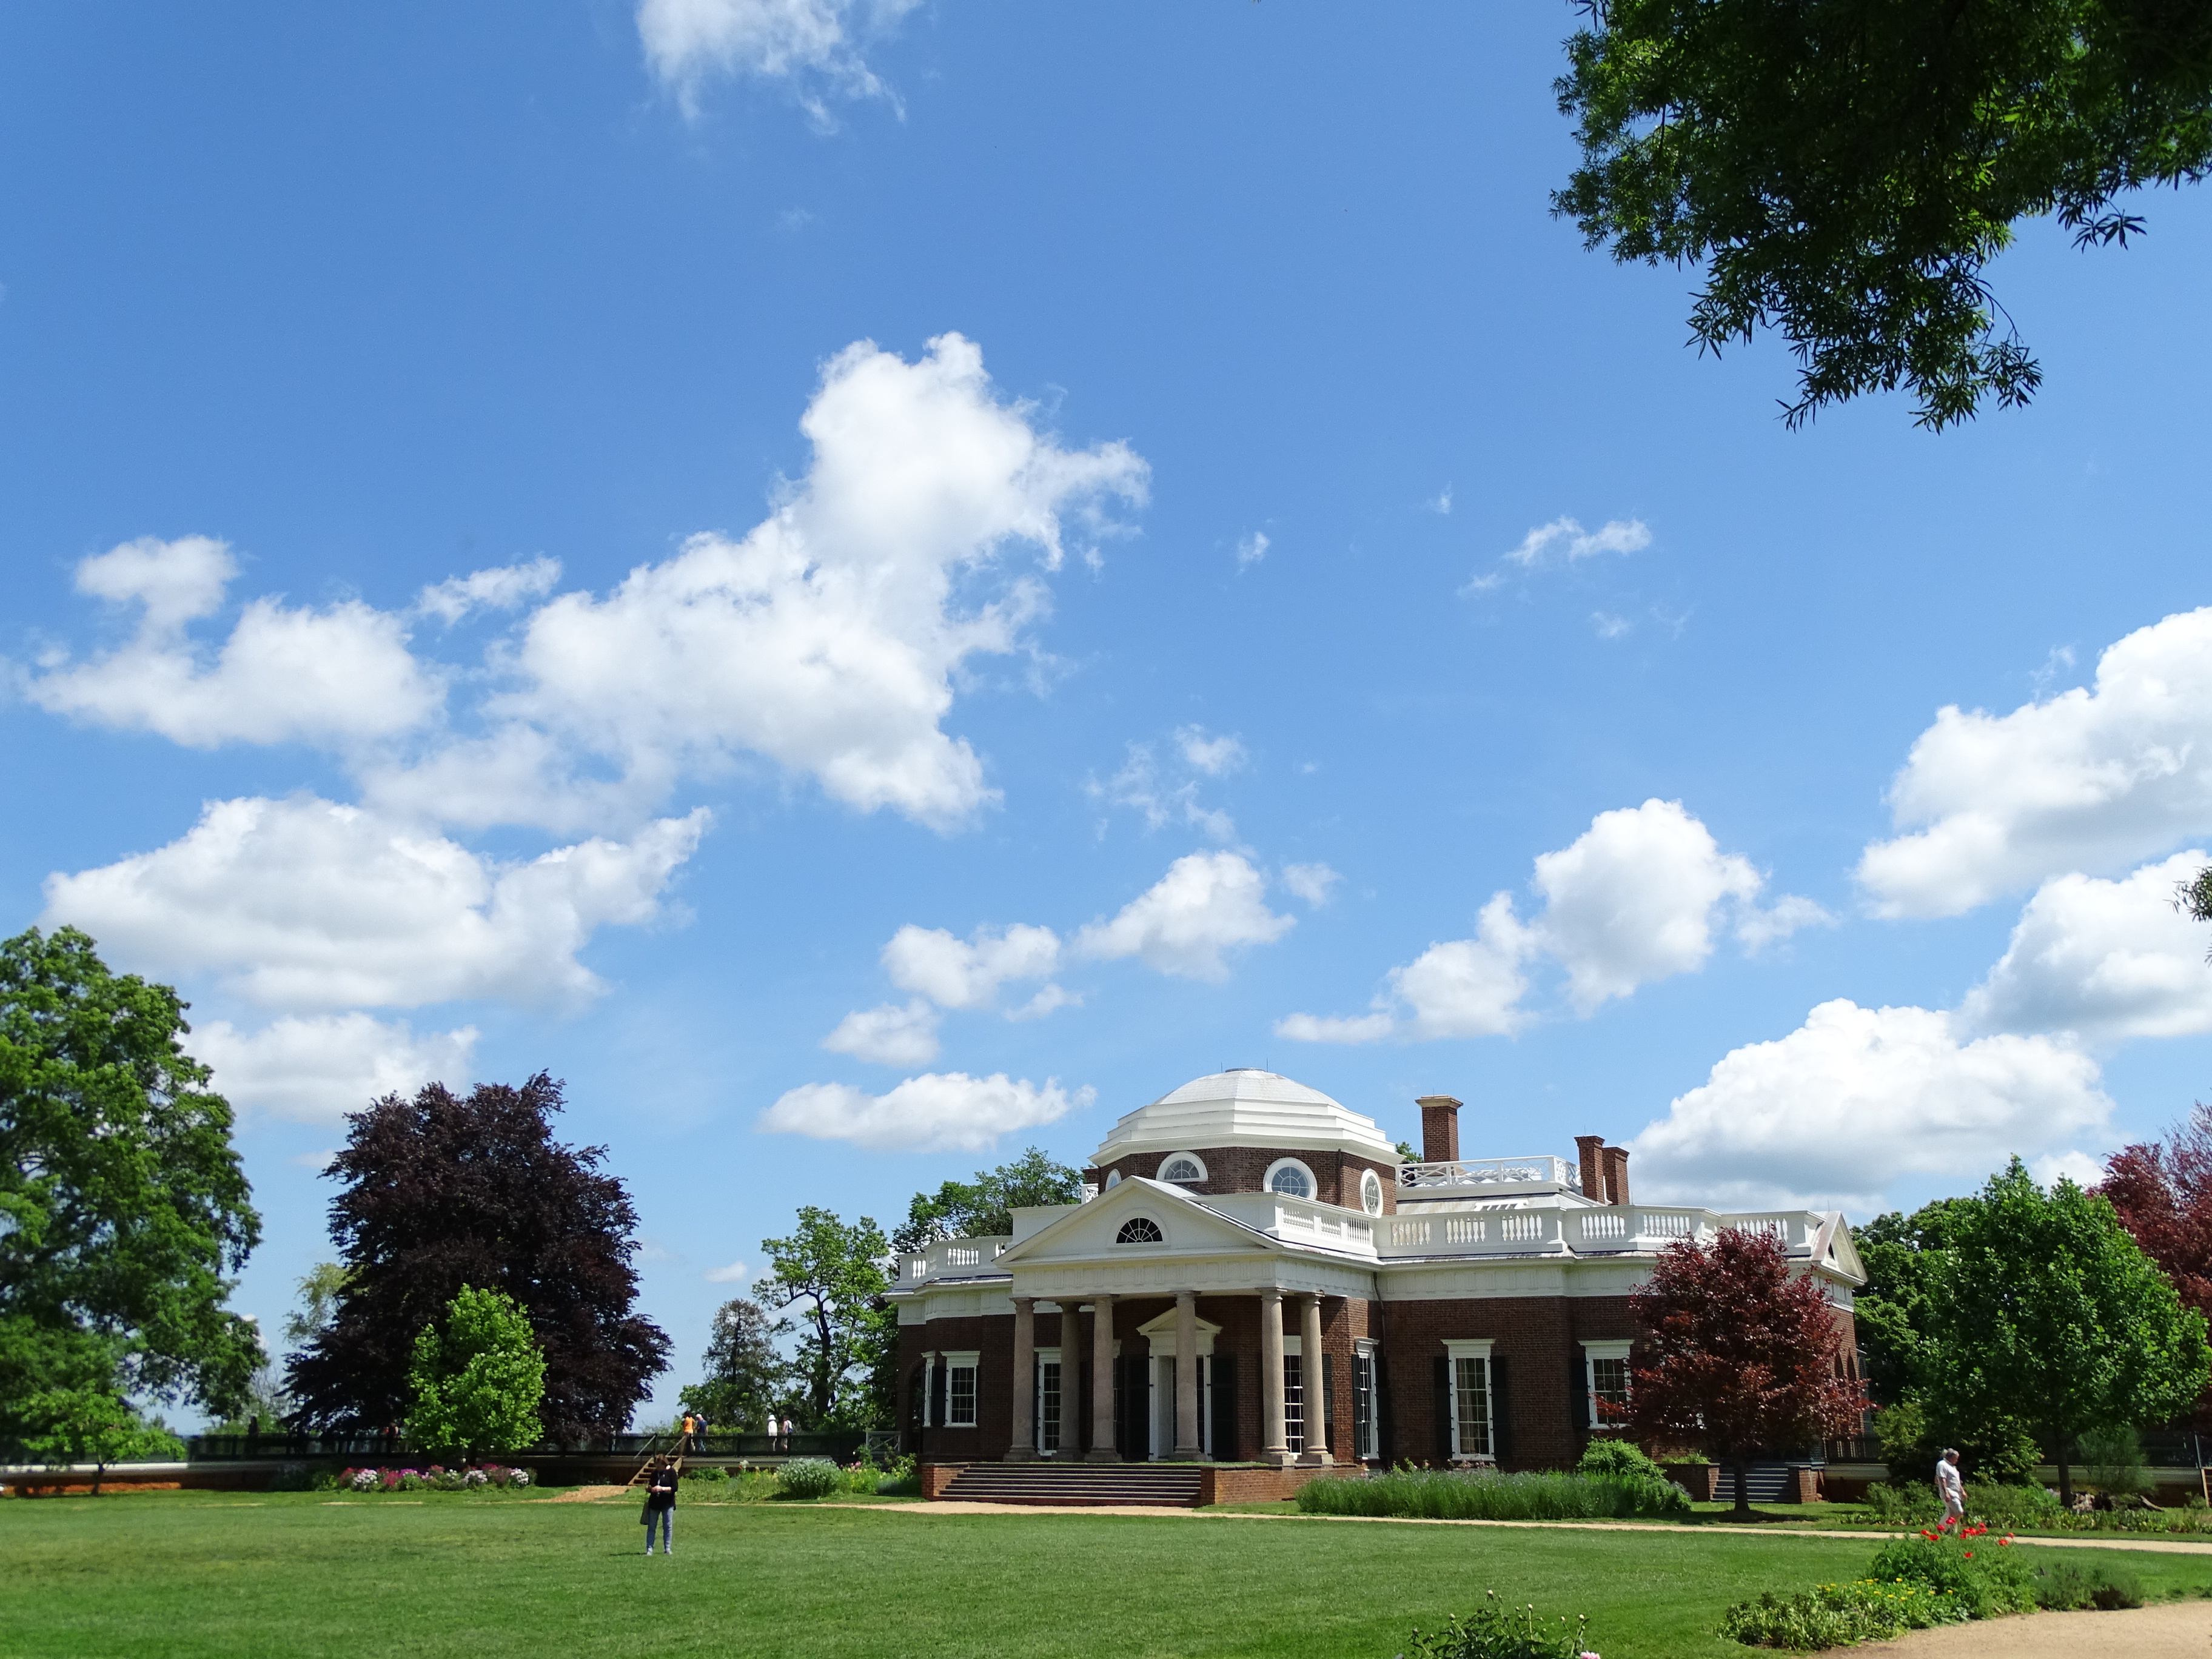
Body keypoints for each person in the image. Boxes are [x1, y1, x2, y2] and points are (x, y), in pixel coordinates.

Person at [642, 1456, 677, 1556]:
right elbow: (652, 1484)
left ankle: (667, 1548)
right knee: (652, 1526)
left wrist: (662, 1489)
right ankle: (649, 1549)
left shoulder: (671, 1472)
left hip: (667, 1503)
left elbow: (675, 1487)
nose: (657, 1468)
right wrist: (650, 1489)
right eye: (656, 1466)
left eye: (659, 1465)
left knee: (667, 1526)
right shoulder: (654, 1473)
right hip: (655, 1503)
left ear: (663, 1464)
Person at [1934, 1447, 1965, 1530]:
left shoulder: (1953, 1467)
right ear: (1951, 1457)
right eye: (1956, 1458)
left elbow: (1957, 1481)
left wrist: (1962, 1491)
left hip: (1956, 1493)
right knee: (1959, 1511)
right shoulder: (1942, 1464)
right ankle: (1944, 1526)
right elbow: (1941, 1479)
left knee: (1951, 1513)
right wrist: (1946, 1493)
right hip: (1949, 1492)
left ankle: (1946, 1529)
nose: (1957, 1460)